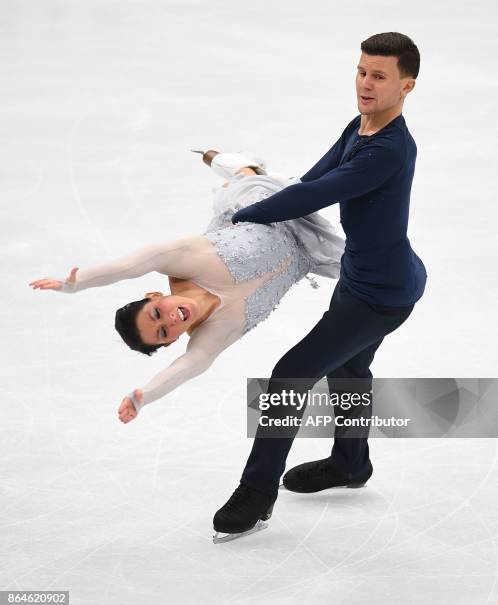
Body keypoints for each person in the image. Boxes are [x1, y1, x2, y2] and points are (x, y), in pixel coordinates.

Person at [213, 32, 428, 540]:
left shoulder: (389, 151)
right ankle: (351, 464)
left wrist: (241, 215)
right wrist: (260, 196)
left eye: (379, 76)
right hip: (361, 277)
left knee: (291, 374)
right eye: (361, 71)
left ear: (407, 85)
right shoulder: (359, 128)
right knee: (350, 370)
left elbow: (320, 194)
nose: (366, 83)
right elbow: (305, 187)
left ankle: (256, 491)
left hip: (383, 295)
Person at [29, 156, 345, 424]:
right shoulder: (212, 334)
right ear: (172, 340)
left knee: (247, 179)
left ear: (154, 296)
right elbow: (189, 365)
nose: (171, 320)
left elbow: (131, 265)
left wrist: (77, 282)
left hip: (265, 202)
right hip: (309, 251)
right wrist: (144, 397)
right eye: (164, 331)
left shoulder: (185, 263)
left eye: (156, 313)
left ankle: (238, 164)